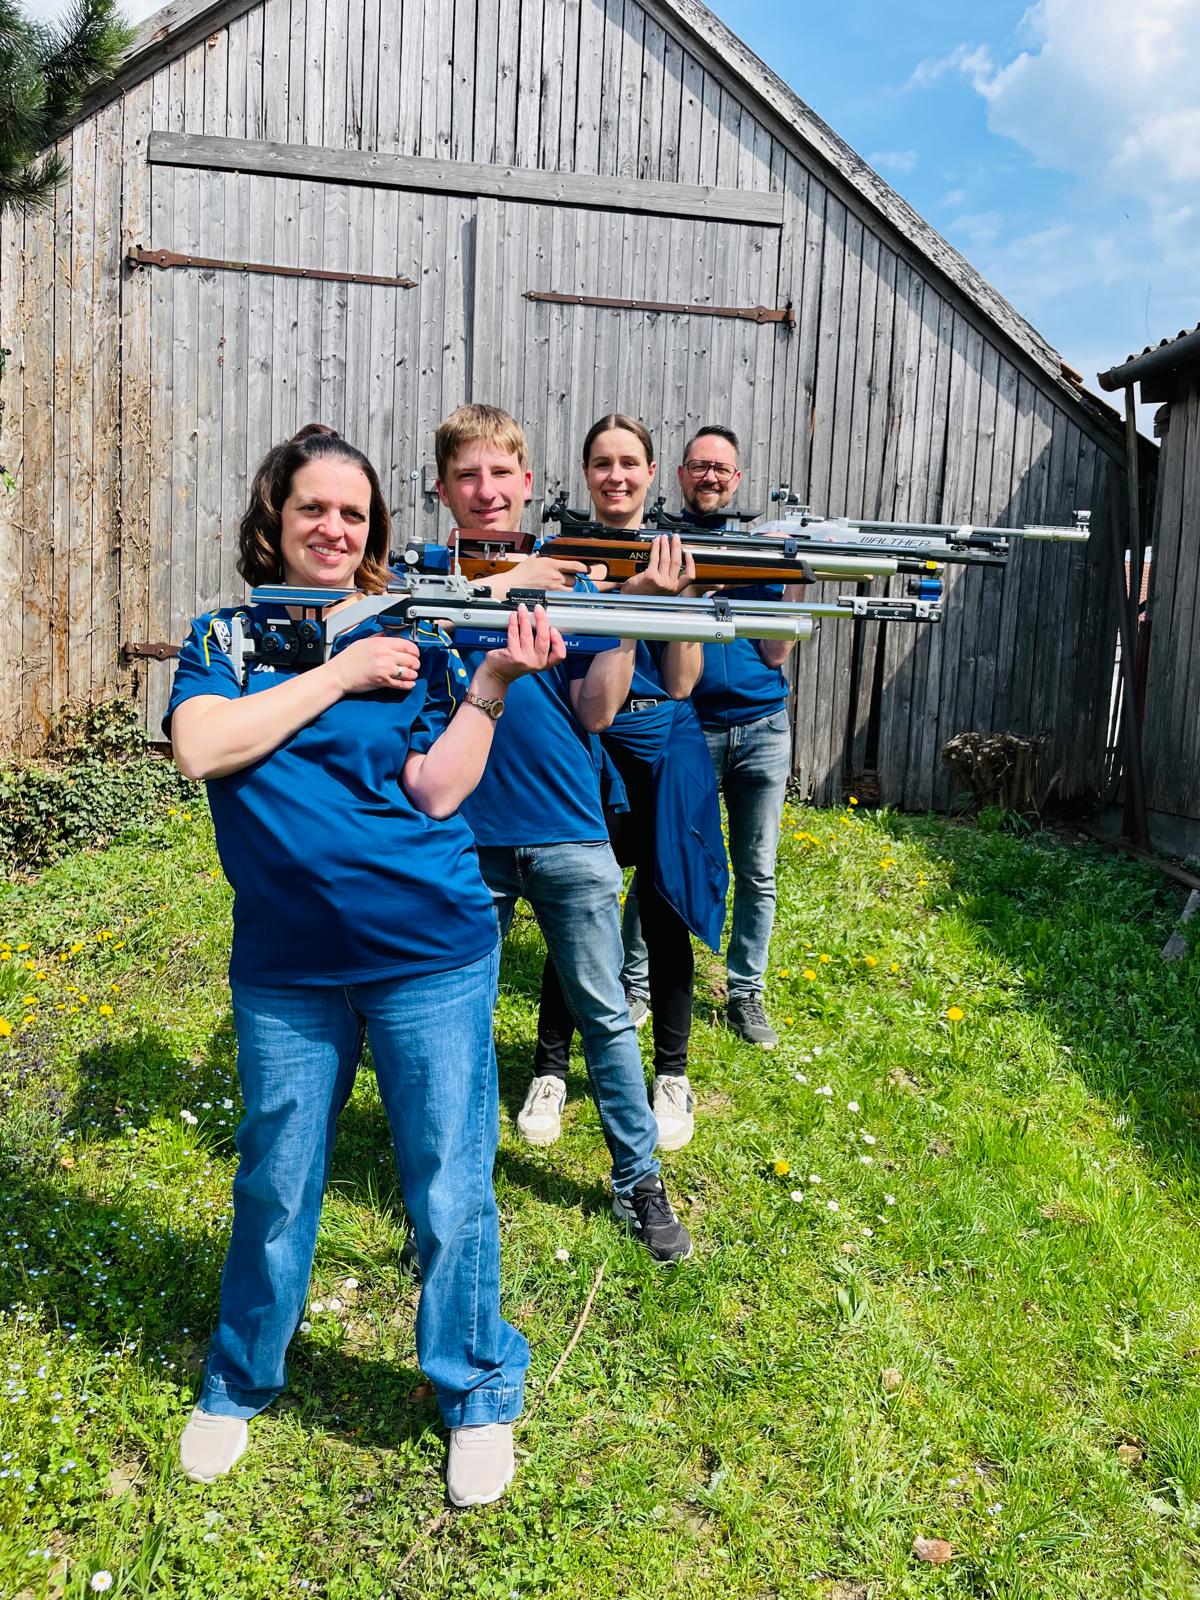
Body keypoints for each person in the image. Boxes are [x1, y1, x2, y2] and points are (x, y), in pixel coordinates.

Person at [166, 424, 561, 1508]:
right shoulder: (227, 636)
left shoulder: (412, 635)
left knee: (449, 1182)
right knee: (276, 1181)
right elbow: (203, 746)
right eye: (314, 509)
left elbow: (437, 790)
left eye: (354, 513)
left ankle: (476, 1389)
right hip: (287, 966)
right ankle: (240, 1377)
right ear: (276, 519)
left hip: (429, 947)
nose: (334, 529)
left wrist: (490, 684)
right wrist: (340, 674)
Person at [434, 403, 692, 1263]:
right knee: (456, 1019)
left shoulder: (573, 585)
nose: (485, 490)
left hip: (568, 827)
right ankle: (455, 1193)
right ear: (443, 488)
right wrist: (520, 579)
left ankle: (638, 1180)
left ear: (527, 482)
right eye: (467, 475)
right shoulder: (422, 578)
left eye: (499, 474)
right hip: (462, 833)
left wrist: (628, 613)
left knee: (605, 1013)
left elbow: (597, 711)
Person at [532, 415, 728, 1151]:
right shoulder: (560, 562)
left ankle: (671, 1072)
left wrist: (676, 602)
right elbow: (578, 691)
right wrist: (627, 598)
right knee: (575, 908)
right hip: (587, 745)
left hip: (665, 747)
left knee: (665, 909)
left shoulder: (676, 555)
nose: (615, 475)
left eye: (628, 462)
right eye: (601, 463)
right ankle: (550, 1069)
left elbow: (680, 683)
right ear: (586, 473)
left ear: (650, 472)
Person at [622, 425, 802, 1049]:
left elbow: (776, 652)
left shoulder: (759, 551)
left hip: (762, 727)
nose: (710, 477)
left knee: (757, 869)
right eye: (699, 466)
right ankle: (637, 984)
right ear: (679, 475)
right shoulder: (660, 548)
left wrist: (795, 568)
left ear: (737, 479)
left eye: (722, 468)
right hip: (686, 727)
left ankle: (745, 990)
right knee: (660, 856)